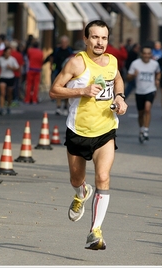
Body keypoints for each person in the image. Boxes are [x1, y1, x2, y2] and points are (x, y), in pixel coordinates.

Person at [49, 20, 127, 250]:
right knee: (76, 179)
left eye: (103, 38)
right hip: (78, 130)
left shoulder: (112, 61)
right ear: (86, 39)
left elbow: (117, 78)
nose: (99, 42)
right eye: (94, 37)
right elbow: (54, 91)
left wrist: (120, 98)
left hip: (106, 129)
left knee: (103, 177)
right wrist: (81, 91)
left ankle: (95, 231)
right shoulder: (76, 63)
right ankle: (81, 193)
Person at [127, 45, 161, 143]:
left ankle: (146, 130)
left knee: (147, 109)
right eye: (145, 53)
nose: (146, 55)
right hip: (139, 91)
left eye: (148, 53)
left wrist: (157, 79)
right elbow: (128, 78)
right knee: (140, 113)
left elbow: (158, 72)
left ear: (151, 54)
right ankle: (141, 128)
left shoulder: (155, 64)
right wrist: (134, 75)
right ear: (141, 54)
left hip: (150, 90)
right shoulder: (135, 64)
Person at [49, 35, 73, 115]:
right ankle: (58, 107)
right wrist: (51, 66)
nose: (64, 44)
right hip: (58, 72)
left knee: (66, 90)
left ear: (68, 43)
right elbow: (51, 57)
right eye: (62, 42)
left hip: (68, 74)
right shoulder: (57, 50)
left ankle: (66, 107)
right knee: (58, 89)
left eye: (65, 42)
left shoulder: (70, 50)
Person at [0, 46, 19, 115]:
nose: (8, 54)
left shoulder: (12, 59)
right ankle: (1, 108)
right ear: (4, 53)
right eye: (7, 52)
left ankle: (8, 106)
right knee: (2, 93)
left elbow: (17, 68)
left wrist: (11, 67)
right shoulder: (0, 59)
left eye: (9, 52)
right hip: (3, 77)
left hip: (10, 77)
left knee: (9, 94)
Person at [24, 40, 43, 104]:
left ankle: (27, 99)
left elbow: (27, 58)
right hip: (38, 69)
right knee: (36, 85)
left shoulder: (30, 51)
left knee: (29, 85)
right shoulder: (40, 52)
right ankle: (34, 99)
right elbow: (41, 60)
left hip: (30, 69)